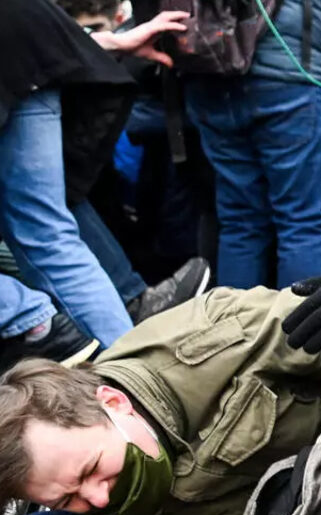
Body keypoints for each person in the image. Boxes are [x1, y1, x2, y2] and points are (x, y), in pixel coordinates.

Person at [0, 207, 321, 515]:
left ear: (114, 403)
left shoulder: (218, 336)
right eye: (66, 499)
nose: (97, 498)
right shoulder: (81, 452)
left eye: (91, 470)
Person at [0, 0, 189, 348]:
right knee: (50, 236)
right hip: (31, 47)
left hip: (28, 49)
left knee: (48, 234)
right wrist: (112, 41)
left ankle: (26, 315)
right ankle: (140, 379)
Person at [180, 0, 321, 289]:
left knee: (240, 222)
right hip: (286, 72)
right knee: (302, 221)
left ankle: (237, 328)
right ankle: (296, 332)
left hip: (208, 69)